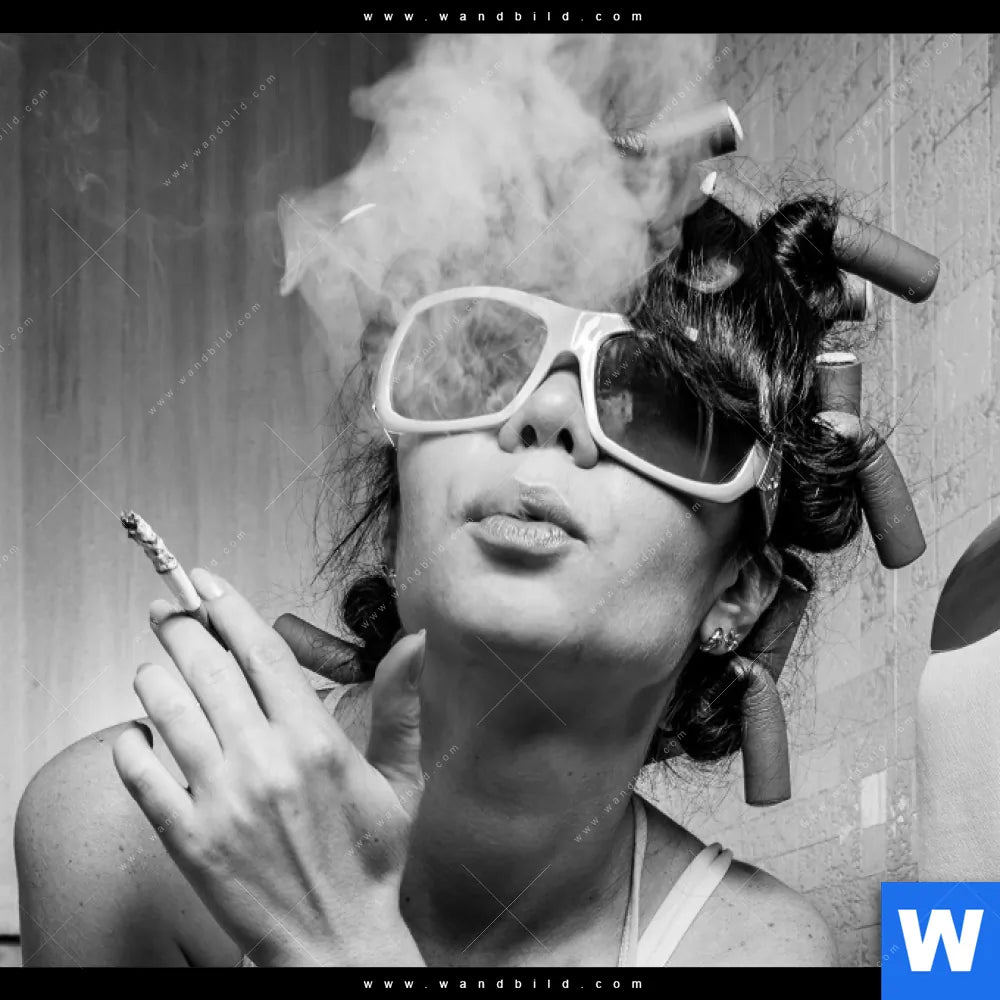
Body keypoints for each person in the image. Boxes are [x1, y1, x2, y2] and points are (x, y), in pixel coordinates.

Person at [15, 191, 880, 968]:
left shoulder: (754, 951)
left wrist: (338, 946)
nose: (547, 413)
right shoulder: (121, 837)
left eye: (655, 400)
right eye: (487, 363)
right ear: (400, 510)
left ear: (739, 592)